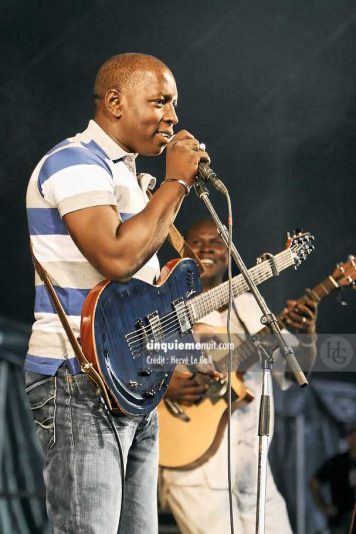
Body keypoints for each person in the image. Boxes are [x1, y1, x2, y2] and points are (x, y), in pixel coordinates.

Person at [25, 53, 211, 534]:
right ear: (114, 102)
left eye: (175, 104)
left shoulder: (127, 175)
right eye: (160, 101)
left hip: (129, 384)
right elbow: (115, 256)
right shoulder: (73, 162)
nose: (172, 116)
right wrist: (175, 183)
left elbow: (141, 297)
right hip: (78, 381)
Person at [159, 218, 318, 534]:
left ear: (230, 253)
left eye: (215, 242)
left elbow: (296, 369)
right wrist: (164, 386)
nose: (205, 249)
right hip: (195, 464)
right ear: (182, 250)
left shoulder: (250, 304)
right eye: (196, 242)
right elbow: (132, 363)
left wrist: (309, 335)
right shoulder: (165, 303)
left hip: (254, 470)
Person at [310, 423, 356, 534]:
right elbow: (314, 482)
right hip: (341, 518)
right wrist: (324, 507)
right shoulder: (337, 462)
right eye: (352, 435)